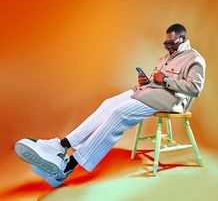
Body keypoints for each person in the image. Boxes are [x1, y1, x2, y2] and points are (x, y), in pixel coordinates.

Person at [15, 23, 206, 187]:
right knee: (108, 105)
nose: (168, 46)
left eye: (171, 43)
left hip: (169, 100)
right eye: (166, 43)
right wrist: (144, 82)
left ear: (183, 39)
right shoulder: (164, 58)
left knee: (118, 114)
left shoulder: (194, 59)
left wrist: (165, 80)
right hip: (148, 92)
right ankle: (61, 146)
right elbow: (155, 81)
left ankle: (66, 167)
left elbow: (194, 88)